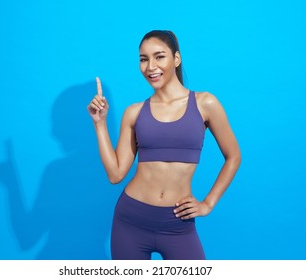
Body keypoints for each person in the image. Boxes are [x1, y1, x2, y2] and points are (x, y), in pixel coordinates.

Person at [87, 30, 241, 260]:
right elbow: (115, 174)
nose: (150, 66)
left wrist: (208, 203)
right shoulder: (134, 112)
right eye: (143, 59)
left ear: (176, 59)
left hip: (177, 224)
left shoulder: (205, 103)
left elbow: (233, 156)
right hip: (131, 220)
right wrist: (100, 124)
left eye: (159, 56)